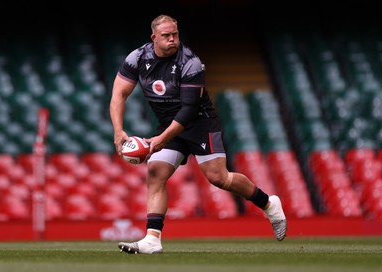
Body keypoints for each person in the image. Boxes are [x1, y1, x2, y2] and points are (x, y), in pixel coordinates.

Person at [109, 14, 287, 254]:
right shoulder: (137, 58)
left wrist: (162, 139)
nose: (172, 39)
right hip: (167, 122)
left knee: (218, 178)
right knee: (156, 173)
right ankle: (152, 239)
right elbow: (119, 95)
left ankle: (269, 204)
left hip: (199, 123)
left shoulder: (190, 62)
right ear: (154, 38)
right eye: (166, 36)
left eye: (175, 34)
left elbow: (188, 110)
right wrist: (118, 130)